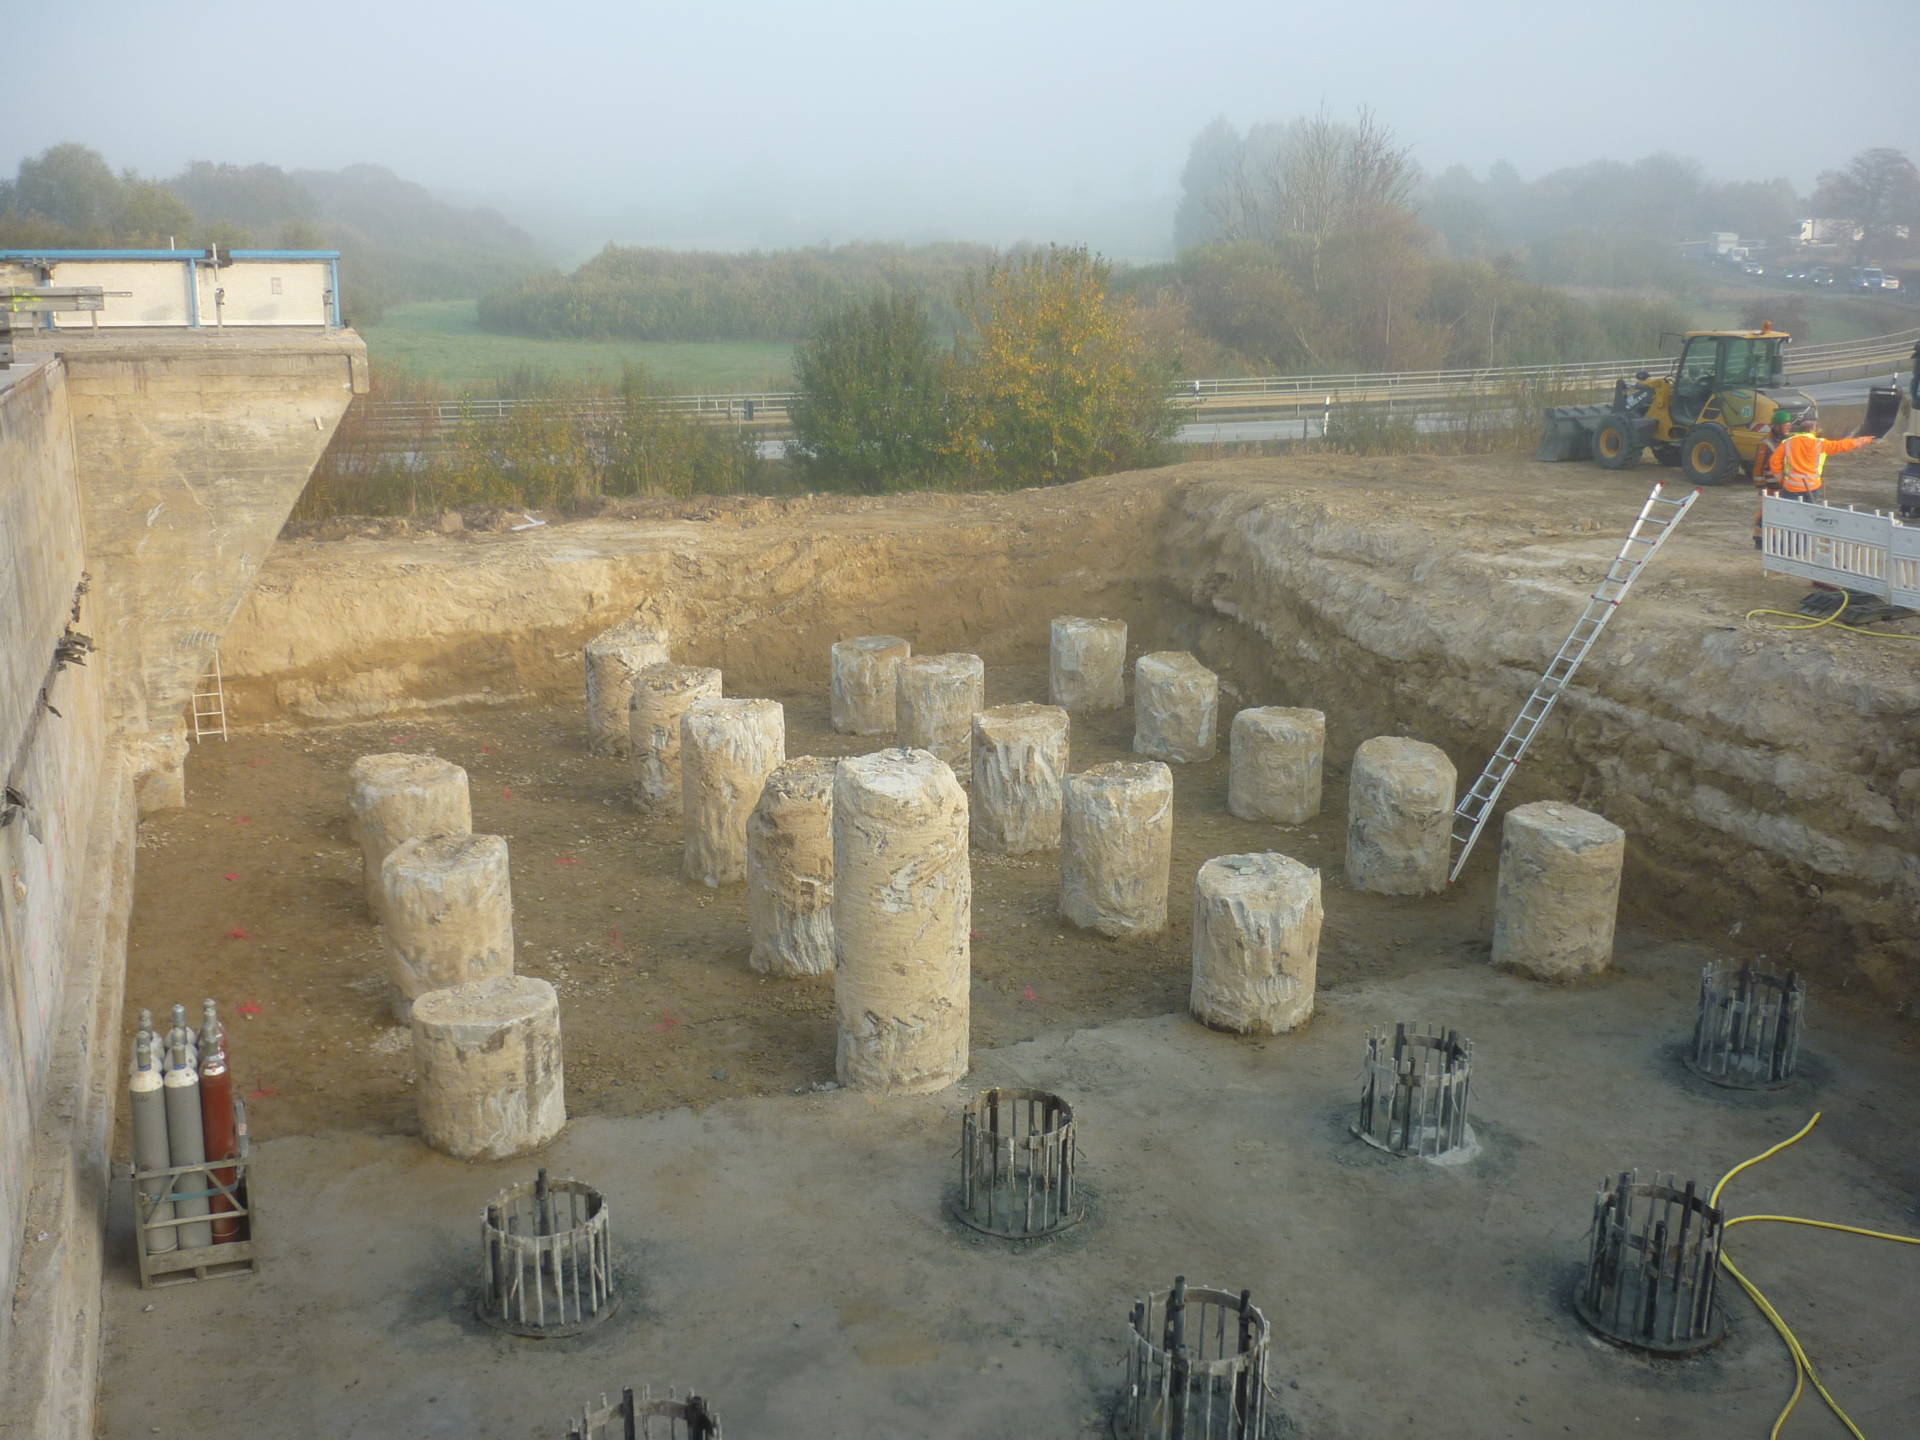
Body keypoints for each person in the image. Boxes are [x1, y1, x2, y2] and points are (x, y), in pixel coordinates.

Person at [1766, 417, 1877, 501]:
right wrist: (1866, 440)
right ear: (1812, 430)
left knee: (1790, 517)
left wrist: (1782, 480)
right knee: (1809, 516)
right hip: (1811, 487)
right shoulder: (1821, 444)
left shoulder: (1787, 443)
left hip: (1790, 487)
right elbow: (1843, 445)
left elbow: (1774, 462)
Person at [1751, 408, 1793, 549]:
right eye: (1785, 425)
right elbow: (1758, 467)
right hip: (1769, 486)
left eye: (1789, 425)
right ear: (1776, 426)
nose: (1788, 428)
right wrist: (1761, 486)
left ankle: (1772, 541)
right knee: (1766, 512)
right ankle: (1760, 539)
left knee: (1780, 514)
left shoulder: (1789, 441)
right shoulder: (1766, 443)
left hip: (1784, 485)